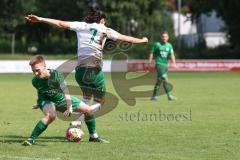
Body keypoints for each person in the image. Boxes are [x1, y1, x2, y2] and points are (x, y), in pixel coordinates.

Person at [25, 9, 148, 143]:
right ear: (101, 20)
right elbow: (125, 38)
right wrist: (142, 40)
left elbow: (60, 23)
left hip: (80, 72)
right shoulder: (103, 28)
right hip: (94, 71)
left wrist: (41, 19)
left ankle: (84, 126)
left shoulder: (80, 25)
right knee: (100, 102)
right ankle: (80, 123)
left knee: (87, 97)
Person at [22, 55, 102, 146]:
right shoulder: (35, 81)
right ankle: (31, 139)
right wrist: (39, 103)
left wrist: (69, 107)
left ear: (44, 66)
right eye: (33, 71)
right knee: (51, 116)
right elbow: (41, 91)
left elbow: (66, 93)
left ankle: (93, 136)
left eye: (37, 70)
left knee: (89, 110)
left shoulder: (56, 75)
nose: (35, 73)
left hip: (62, 99)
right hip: (47, 100)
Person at [149, 31, 177, 101]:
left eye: (166, 37)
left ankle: (153, 96)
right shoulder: (157, 44)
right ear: (161, 37)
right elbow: (151, 53)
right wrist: (150, 61)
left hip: (165, 65)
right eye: (163, 36)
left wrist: (174, 63)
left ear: (168, 38)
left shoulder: (169, 45)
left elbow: (172, 54)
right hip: (159, 64)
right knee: (165, 79)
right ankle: (169, 96)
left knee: (159, 81)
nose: (164, 38)